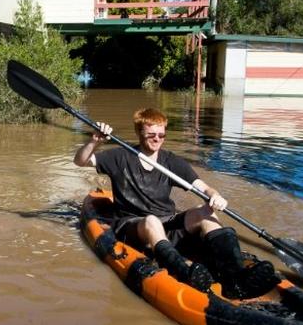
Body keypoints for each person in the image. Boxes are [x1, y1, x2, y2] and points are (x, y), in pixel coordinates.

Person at [74, 107, 279, 298]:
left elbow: (204, 187)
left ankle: (235, 277)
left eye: (161, 135)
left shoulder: (171, 161)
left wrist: (215, 195)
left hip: (167, 223)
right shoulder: (120, 155)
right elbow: (80, 161)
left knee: (206, 212)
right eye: (151, 135)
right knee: (152, 221)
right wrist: (95, 141)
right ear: (139, 132)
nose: (157, 139)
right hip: (134, 226)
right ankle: (182, 272)